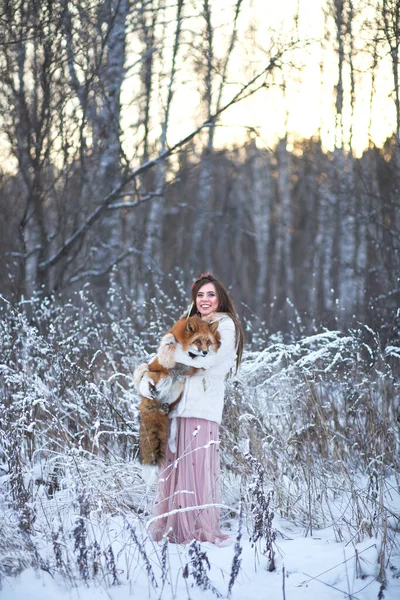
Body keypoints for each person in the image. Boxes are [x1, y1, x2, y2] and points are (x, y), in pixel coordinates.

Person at [135, 273, 244, 545]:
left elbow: (205, 357)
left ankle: (195, 529)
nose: (205, 300)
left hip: (201, 405)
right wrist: (149, 374)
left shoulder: (226, 325)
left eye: (210, 295)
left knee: (194, 468)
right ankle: (172, 527)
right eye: (200, 295)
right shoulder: (191, 323)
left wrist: (169, 361)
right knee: (174, 468)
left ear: (220, 298)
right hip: (178, 405)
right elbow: (165, 355)